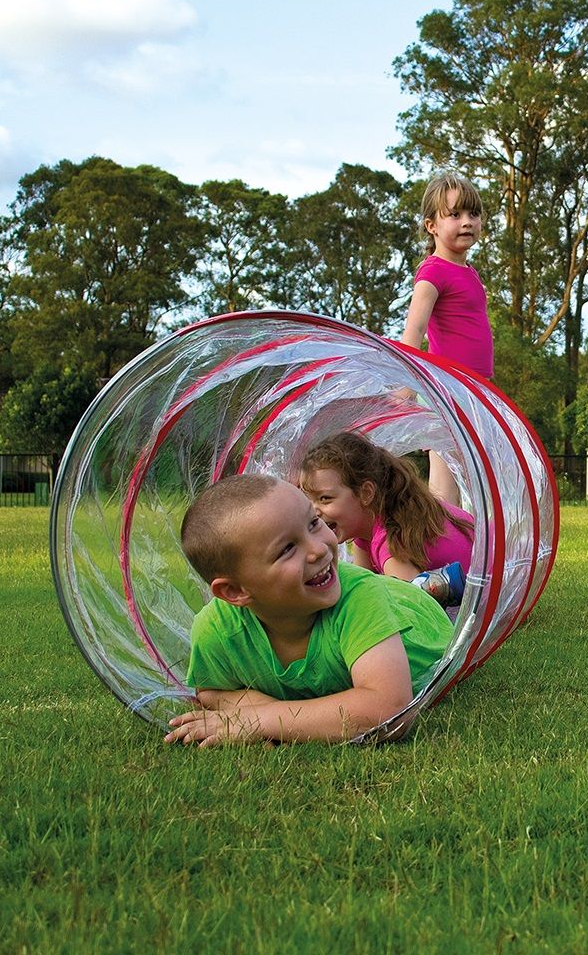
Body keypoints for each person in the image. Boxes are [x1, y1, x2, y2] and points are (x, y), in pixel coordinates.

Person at [164, 473, 453, 748]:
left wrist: (260, 720)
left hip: (417, 613)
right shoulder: (217, 630)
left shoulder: (360, 598)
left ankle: (429, 585)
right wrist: (285, 716)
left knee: (393, 589)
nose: (319, 550)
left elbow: (390, 709)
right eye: (287, 549)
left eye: (314, 523)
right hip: (374, 594)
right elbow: (212, 693)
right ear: (235, 592)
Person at [400, 173, 493, 504]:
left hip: (473, 390)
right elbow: (414, 329)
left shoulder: (468, 272)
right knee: (444, 482)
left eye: (473, 214)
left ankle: (468, 545)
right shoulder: (433, 272)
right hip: (445, 390)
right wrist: (405, 387)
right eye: (454, 215)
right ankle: (441, 549)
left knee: (473, 475)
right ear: (431, 226)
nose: (467, 222)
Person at [299, 431, 472, 606]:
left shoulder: (392, 542)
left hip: (490, 598)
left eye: (325, 498)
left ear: (366, 493)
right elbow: (358, 588)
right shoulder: (373, 523)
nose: (314, 511)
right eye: (309, 500)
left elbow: (411, 610)